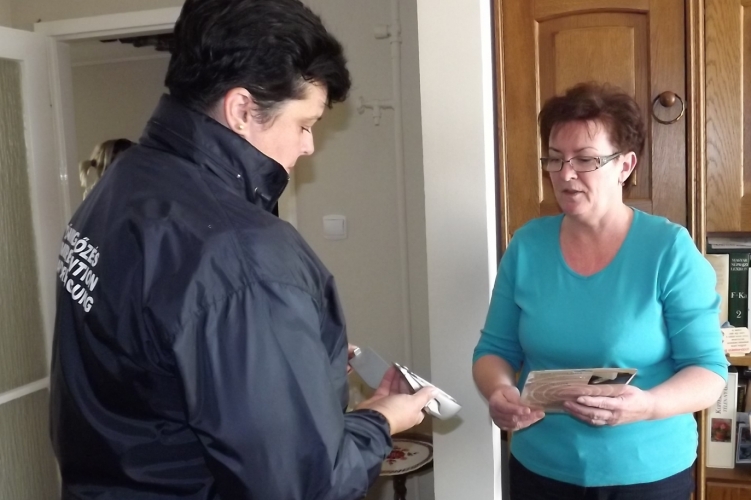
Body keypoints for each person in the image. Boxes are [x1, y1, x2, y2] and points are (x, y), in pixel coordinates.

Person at [49, 1, 435, 499]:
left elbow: (152, 362)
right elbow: (300, 486)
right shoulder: (242, 256)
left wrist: (293, 361)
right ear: (242, 110)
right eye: (304, 124)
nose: (308, 146)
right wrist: (379, 420)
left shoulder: (123, 183)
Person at [472, 82, 728, 500]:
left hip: (647, 474)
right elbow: (494, 350)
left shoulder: (669, 249)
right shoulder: (527, 246)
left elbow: (708, 371)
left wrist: (647, 405)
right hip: (540, 469)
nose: (565, 173)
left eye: (585, 159)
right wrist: (499, 391)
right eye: (555, 158)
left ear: (625, 165)